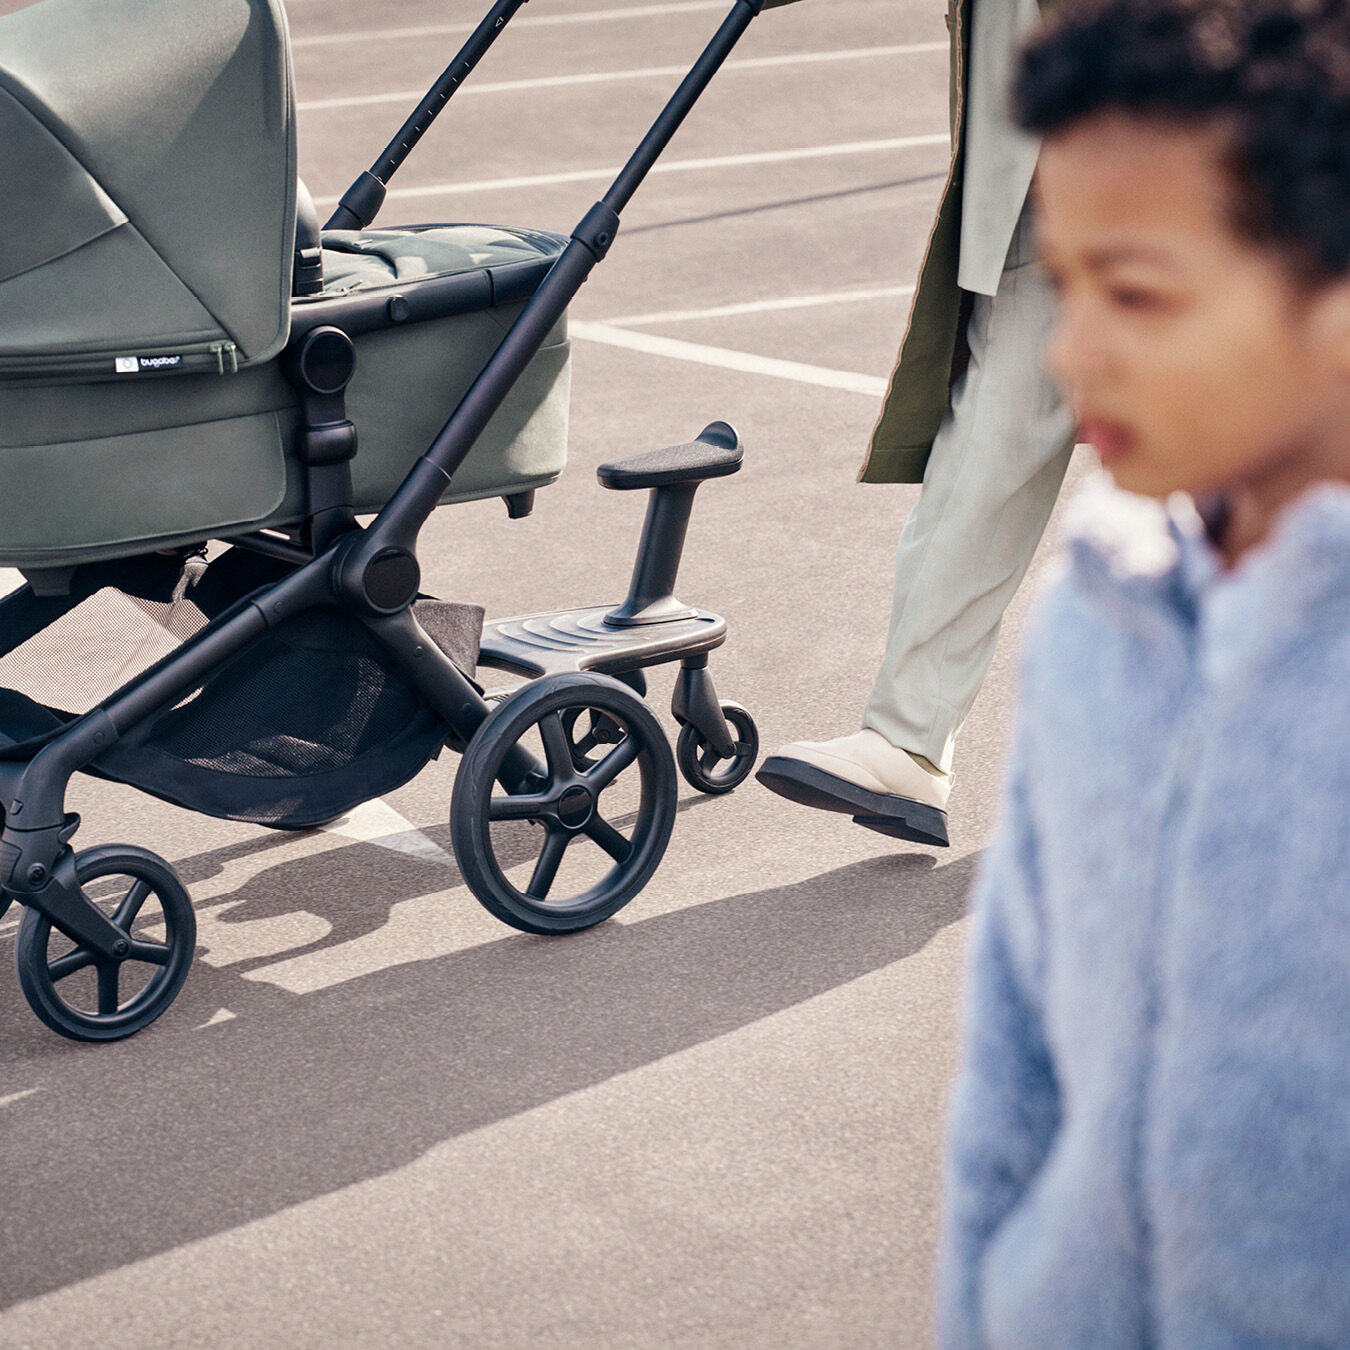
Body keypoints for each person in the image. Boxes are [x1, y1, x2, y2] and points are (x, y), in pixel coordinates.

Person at [941, 0, 1350, 1344]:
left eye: (1137, 294)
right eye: (1065, 283)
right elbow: (1012, 1078)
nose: (1074, 350)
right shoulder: (1094, 620)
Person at [756, 0, 1077, 849]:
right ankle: (908, 742)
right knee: (983, 462)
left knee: (1235, 477)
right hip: (1042, 167)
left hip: (1210, 157)